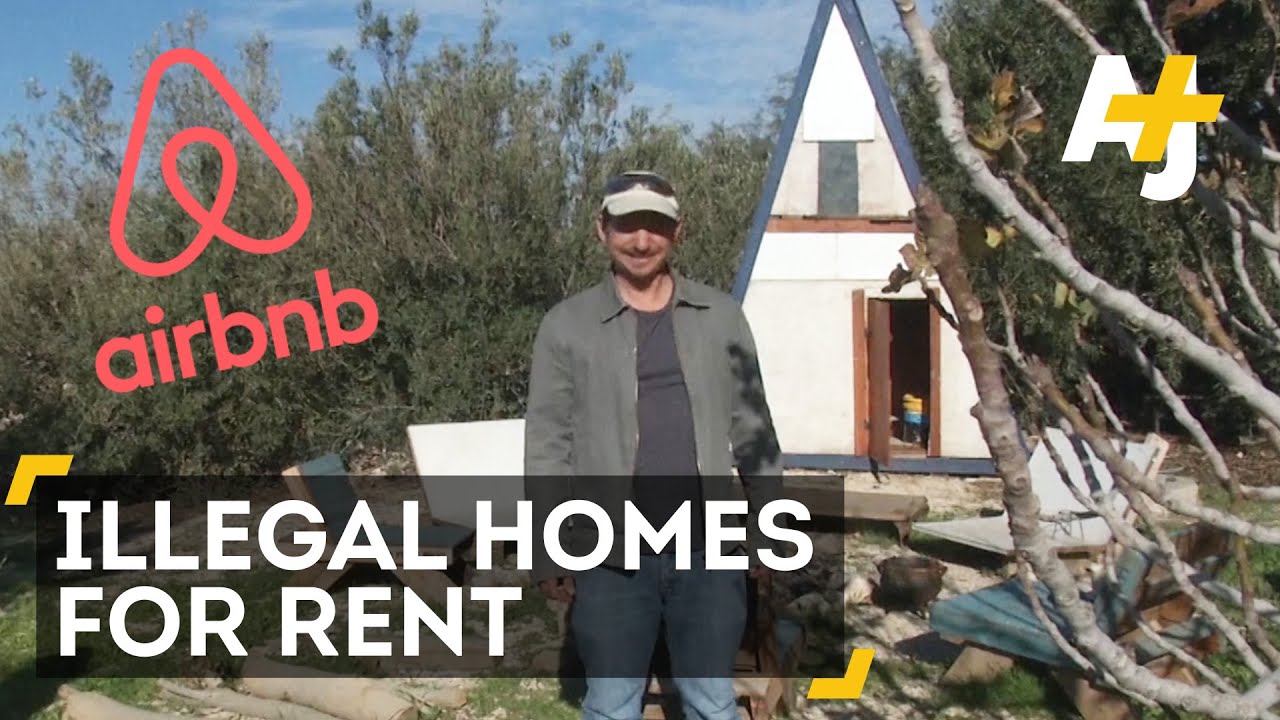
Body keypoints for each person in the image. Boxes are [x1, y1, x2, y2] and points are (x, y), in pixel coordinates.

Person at [523, 170, 784, 720]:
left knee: (712, 700)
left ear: (677, 231)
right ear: (602, 229)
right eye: (627, 225)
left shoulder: (721, 317)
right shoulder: (567, 325)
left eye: (655, 226)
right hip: (609, 554)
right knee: (612, 702)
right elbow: (548, 445)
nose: (641, 241)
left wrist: (768, 529)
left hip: (708, 548)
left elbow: (753, 430)